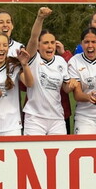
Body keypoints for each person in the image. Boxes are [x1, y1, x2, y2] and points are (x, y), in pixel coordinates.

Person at [22, 7, 77, 135]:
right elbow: (33, 37)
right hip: (35, 118)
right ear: (38, 45)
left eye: (52, 42)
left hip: (57, 118)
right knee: (34, 153)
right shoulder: (33, 59)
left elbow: (65, 88)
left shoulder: (60, 61)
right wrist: (40, 18)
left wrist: (72, 85)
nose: (50, 46)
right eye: (46, 43)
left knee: (60, 153)